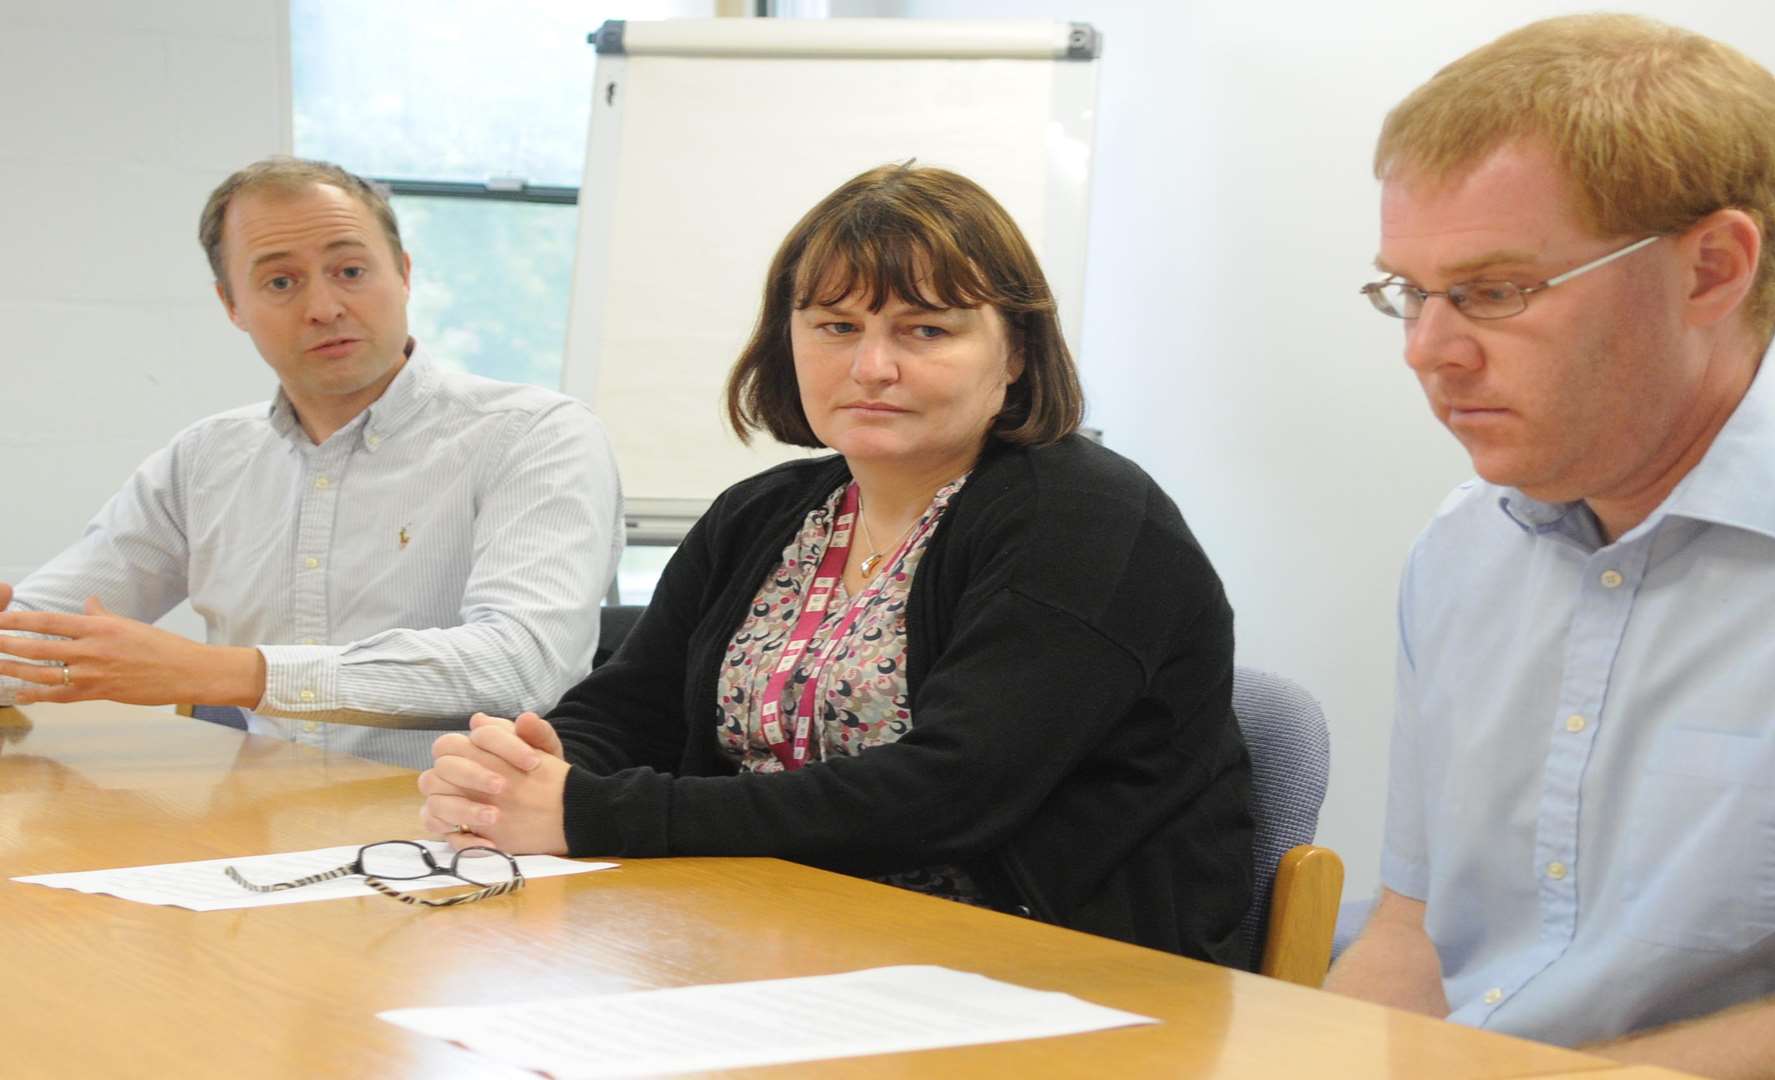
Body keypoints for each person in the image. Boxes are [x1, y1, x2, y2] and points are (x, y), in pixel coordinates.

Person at [416, 163, 1254, 962]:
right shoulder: (766, 513)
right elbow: (632, 709)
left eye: (925, 329)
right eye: (836, 327)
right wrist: (522, 768)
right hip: (768, 935)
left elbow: (950, 795)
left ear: (1018, 354)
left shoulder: (1085, 520)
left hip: (1049, 973)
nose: (871, 367)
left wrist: (593, 813)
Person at [1323, 14, 1775, 1075]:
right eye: (1411, 294)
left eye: (1495, 292)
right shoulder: (1467, 547)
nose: (1430, 351)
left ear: (1712, 269)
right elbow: (1410, 939)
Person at [0, 158, 624, 769]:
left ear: (404, 274)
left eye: (351, 270)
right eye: (280, 283)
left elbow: (522, 665)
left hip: (463, 829)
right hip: (258, 826)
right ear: (232, 305)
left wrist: (227, 673)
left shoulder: (535, 435)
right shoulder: (205, 460)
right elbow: (37, 639)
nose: (324, 307)